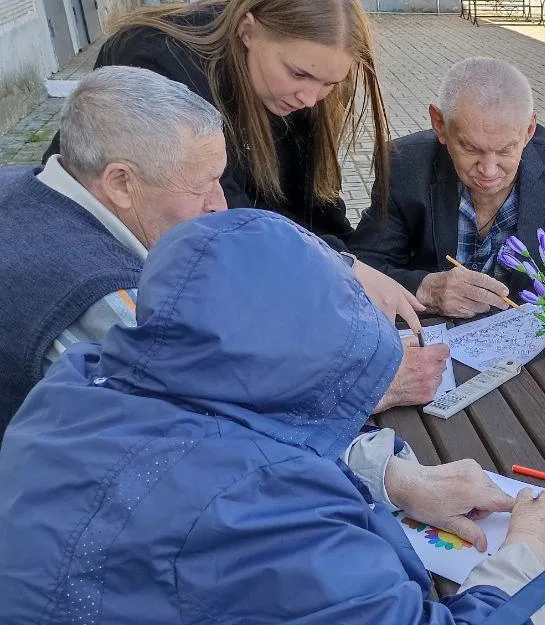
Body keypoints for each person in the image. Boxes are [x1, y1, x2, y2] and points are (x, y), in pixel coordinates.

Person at [0, 209, 545, 625]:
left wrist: (389, 478)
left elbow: (219, 434)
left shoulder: (81, 383)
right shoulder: (244, 511)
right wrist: (529, 556)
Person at [0, 66, 442, 437]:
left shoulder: (28, 181)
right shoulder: (106, 297)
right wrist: (367, 386)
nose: (220, 203)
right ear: (120, 183)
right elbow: (211, 434)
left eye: (220, 179)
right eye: (201, 185)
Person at [43, 0, 423, 327]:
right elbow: (219, 216)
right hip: (103, 274)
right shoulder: (157, 60)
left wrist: (390, 277)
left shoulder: (294, 90)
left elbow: (313, 208)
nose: (310, 97)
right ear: (247, 30)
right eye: (298, 73)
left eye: (329, 83)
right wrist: (338, 267)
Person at [348, 57, 545, 318]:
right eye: (471, 148)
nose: (488, 170)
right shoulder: (404, 163)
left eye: (506, 149)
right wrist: (425, 289)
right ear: (440, 124)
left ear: (529, 130)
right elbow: (360, 265)